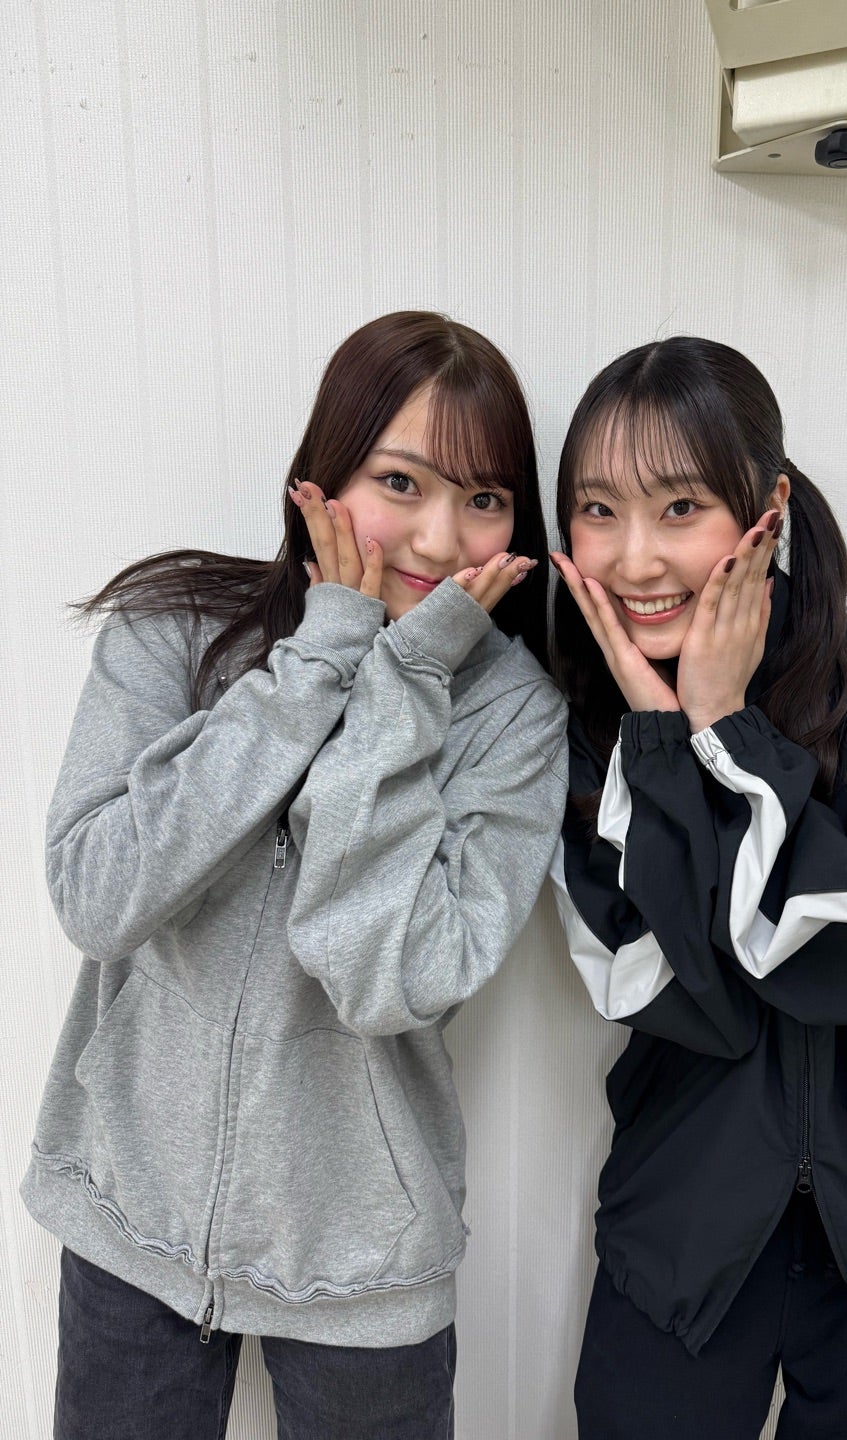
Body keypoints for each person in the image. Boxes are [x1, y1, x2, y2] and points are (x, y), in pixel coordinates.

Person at [24, 311, 568, 1440]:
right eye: (401, 482)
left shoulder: (514, 716)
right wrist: (320, 658)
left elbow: (388, 979)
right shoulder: (176, 628)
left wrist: (407, 681)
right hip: (132, 1212)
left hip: (366, 1258)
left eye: (484, 498)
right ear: (321, 477)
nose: (441, 538)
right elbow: (97, 895)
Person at [548, 336, 847, 1439]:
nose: (636, 560)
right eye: (599, 510)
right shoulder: (589, 717)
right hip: (684, 1231)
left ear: (766, 510)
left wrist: (723, 729)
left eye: (680, 507)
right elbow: (676, 996)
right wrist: (660, 739)